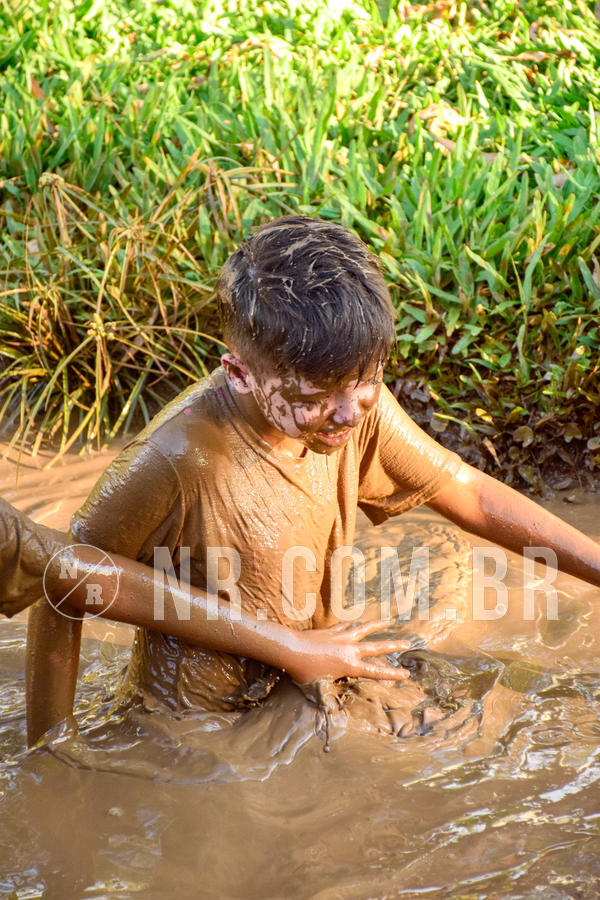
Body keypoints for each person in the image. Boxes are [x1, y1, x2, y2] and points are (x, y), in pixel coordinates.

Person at [19, 216, 600, 746]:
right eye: (316, 397)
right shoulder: (176, 458)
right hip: (196, 728)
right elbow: (62, 579)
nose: (349, 413)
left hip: (308, 675)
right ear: (240, 374)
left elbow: (467, 491)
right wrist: (53, 744)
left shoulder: (353, 409)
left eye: (367, 379)